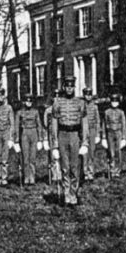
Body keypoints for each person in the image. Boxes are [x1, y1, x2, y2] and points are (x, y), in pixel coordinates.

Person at [50, 76, 89, 206]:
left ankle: (74, 194)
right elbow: (54, 123)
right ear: (64, 87)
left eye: (71, 86)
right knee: (64, 167)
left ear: (74, 87)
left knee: (75, 167)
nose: (69, 89)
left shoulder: (80, 103)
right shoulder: (57, 103)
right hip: (62, 135)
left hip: (75, 136)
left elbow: (84, 123)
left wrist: (85, 142)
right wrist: (54, 145)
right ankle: (67, 195)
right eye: (67, 86)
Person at [15, 94, 44, 186]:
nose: (29, 103)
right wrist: (16, 140)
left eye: (30, 101)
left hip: (34, 133)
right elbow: (16, 126)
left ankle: (32, 177)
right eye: (27, 101)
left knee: (33, 156)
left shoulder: (35, 112)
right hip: (24, 133)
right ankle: (26, 177)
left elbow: (39, 125)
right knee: (25, 156)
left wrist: (40, 139)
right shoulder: (19, 112)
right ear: (24, 102)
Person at [103, 93, 126, 178]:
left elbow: (124, 124)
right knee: (111, 152)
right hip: (110, 133)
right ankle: (112, 170)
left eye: (116, 101)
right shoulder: (107, 112)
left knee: (118, 152)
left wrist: (124, 137)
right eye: (113, 101)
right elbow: (104, 124)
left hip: (118, 132)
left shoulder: (121, 112)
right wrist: (103, 137)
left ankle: (118, 170)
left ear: (118, 102)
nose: (114, 103)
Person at [82, 87, 101, 182]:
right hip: (83, 131)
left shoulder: (95, 107)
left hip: (92, 130)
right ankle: (85, 172)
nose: (88, 97)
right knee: (84, 152)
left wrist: (98, 134)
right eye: (86, 95)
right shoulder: (81, 106)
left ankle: (91, 172)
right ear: (84, 95)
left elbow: (97, 121)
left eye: (90, 95)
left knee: (92, 152)